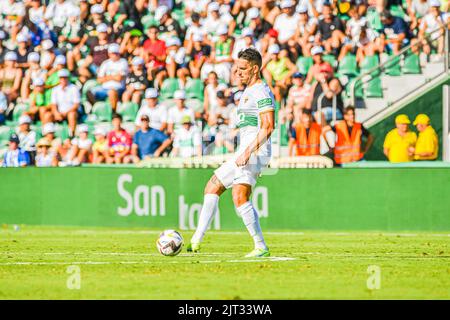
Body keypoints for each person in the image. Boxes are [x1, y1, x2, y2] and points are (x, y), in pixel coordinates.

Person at [187, 48, 274, 258]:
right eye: (237, 68)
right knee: (212, 186)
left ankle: (260, 245)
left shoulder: (261, 91)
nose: (238, 72)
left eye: (243, 69)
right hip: (244, 151)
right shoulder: (248, 91)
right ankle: (195, 241)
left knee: (239, 196)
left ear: (255, 68)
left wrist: (248, 152)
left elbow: (268, 126)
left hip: (254, 151)